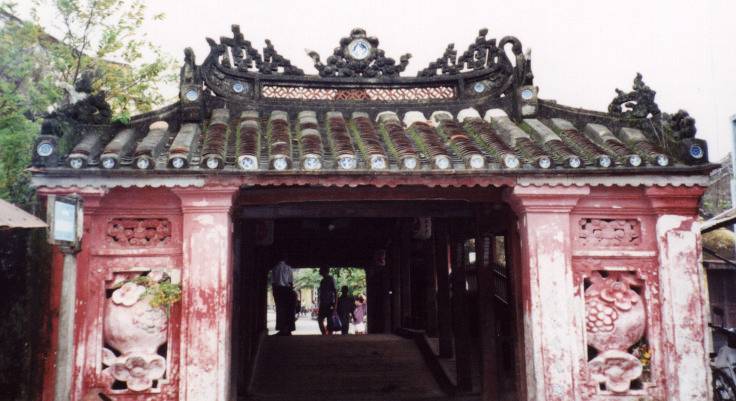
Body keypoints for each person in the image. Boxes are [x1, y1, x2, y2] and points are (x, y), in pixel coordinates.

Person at [271, 254, 294, 336]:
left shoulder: (275, 268)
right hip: (287, 290)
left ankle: (281, 329)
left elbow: (273, 283)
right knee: (288, 310)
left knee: (280, 310)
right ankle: (288, 329)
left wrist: (274, 293)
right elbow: (291, 283)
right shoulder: (289, 268)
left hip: (278, 290)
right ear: (286, 258)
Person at [317, 267, 337, 335]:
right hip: (323, 303)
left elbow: (335, 292)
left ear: (324, 271)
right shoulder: (322, 281)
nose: (319, 271)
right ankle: (325, 334)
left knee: (329, 320)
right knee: (320, 319)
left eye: (320, 269)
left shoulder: (331, 279)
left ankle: (328, 335)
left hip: (329, 303)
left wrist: (335, 305)